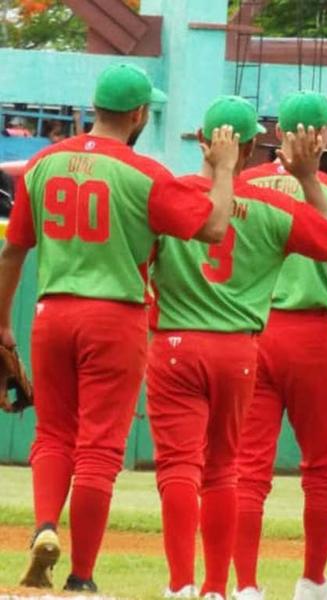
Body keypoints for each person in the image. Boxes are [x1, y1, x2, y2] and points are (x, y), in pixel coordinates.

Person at [0, 62, 239, 593]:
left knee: (53, 434)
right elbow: (216, 226)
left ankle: (44, 526)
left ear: (92, 110)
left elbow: (13, 251)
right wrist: (223, 169)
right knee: (100, 448)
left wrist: (2, 327)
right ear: (136, 115)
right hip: (114, 317)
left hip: (50, 313)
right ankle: (81, 576)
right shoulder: (145, 174)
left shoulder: (41, 163)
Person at [147, 95, 327, 600]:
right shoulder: (275, 205)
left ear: (201, 141)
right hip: (238, 349)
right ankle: (217, 588)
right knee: (223, 470)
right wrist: (306, 178)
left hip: (175, 342)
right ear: (255, 147)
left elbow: (138, 257)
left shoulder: (170, 192)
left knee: (179, 468)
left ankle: (181, 586)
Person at [232, 91, 327, 600]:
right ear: (323, 134)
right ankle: (312, 581)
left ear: (277, 134)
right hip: (310, 334)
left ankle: (244, 585)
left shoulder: (241, 184)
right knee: (324, 465)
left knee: (247, 467)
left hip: (250, 330)